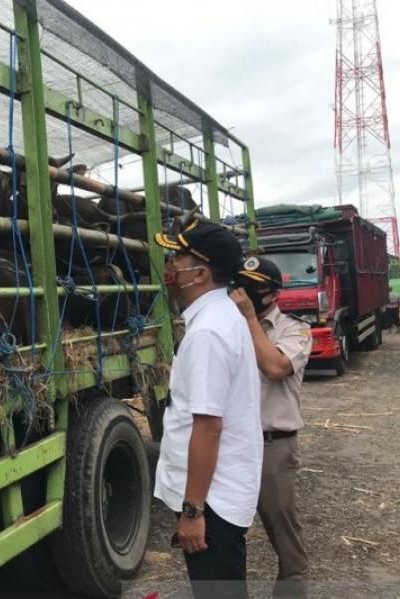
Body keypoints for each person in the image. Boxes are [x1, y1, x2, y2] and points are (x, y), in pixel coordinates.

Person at [153, 220, 263, 599]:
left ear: (198, 273)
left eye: (176, 258)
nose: (168, 268)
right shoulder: (219, 319)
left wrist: (192, 511)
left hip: (211, 502)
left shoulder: (207, 332)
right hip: (217, 494)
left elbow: (208, 427)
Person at [231, 257, 312, 599]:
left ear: (273, 293)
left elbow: (275, 367)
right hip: (233, 446)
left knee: (284, 538)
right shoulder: (229, 326)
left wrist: (249, 318)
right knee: (226, 532)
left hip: (272, 447)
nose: (245, 292)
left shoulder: (295, 330)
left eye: (255, 286)